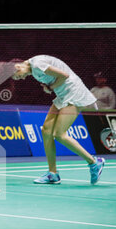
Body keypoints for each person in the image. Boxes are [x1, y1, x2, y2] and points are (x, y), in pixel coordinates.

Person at [12, 54, 105, 185]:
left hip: (73, 92)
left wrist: (50, 87)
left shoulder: (37, 65)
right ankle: (53, 174)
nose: (20, 78)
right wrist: (49, 86)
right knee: (46, 131)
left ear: (17, 67)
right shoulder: (33, 69)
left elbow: (64, 76)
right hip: (62, 93)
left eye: (18, 76)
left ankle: (94, 162)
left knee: (60, 135)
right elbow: (55, 79)